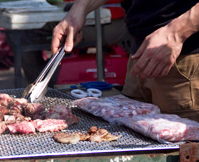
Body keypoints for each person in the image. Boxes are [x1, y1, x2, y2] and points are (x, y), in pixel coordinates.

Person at [52, 0, 199, 121]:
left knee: (183, 151)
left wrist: (176, 32)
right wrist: (80, 8)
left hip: (185, 63)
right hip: (140, 55)